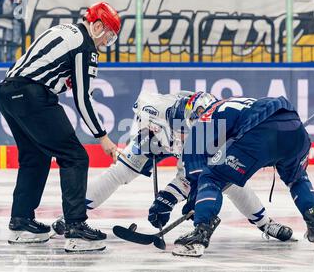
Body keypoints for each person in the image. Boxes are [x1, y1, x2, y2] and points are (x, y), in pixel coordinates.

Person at [51, 91, 294, 242]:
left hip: (185, 148)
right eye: (189, 128)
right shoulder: (159, 108)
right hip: (154, 139)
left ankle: (265, 224)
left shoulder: (214, 128)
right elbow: (139, 105)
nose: (191, 134)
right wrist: (151, 132)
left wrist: (167, 197)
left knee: (227, 182)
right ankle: (71, 216)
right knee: (120, 172)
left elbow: (188, 174)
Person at [0, 2, 121, 252]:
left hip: (7, 91)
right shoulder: (85, 46)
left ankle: (20, 222)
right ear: (97, 26)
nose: (107, 42)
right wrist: (103, 137)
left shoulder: (63, 30)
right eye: (109, 34)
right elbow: (83, 98)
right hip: (32, 94)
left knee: (35, 158)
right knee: (75, 156)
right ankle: (76, 228)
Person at [172, 95, 314, 257]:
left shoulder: (205, 119)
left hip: (261, 134)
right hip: (295, 129)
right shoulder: (235, 103)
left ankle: (200, 234)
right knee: (297, 179)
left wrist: (197, 202)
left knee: (211, 177)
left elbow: (196, 171)